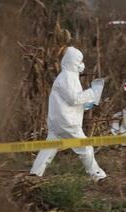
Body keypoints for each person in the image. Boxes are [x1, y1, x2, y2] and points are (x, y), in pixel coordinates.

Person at [30, 46, 107, 181]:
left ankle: (35, 174)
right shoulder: (68, 77)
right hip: (67, 122)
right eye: (80, 61)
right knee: (85, 147)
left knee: (49, 148)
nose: (82, 65)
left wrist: (86, 105)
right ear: (74, 61)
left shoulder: (68, 76)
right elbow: (73, 99)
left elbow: (71, 101)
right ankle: (97, 175)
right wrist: (92, 92)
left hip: (59, 121)